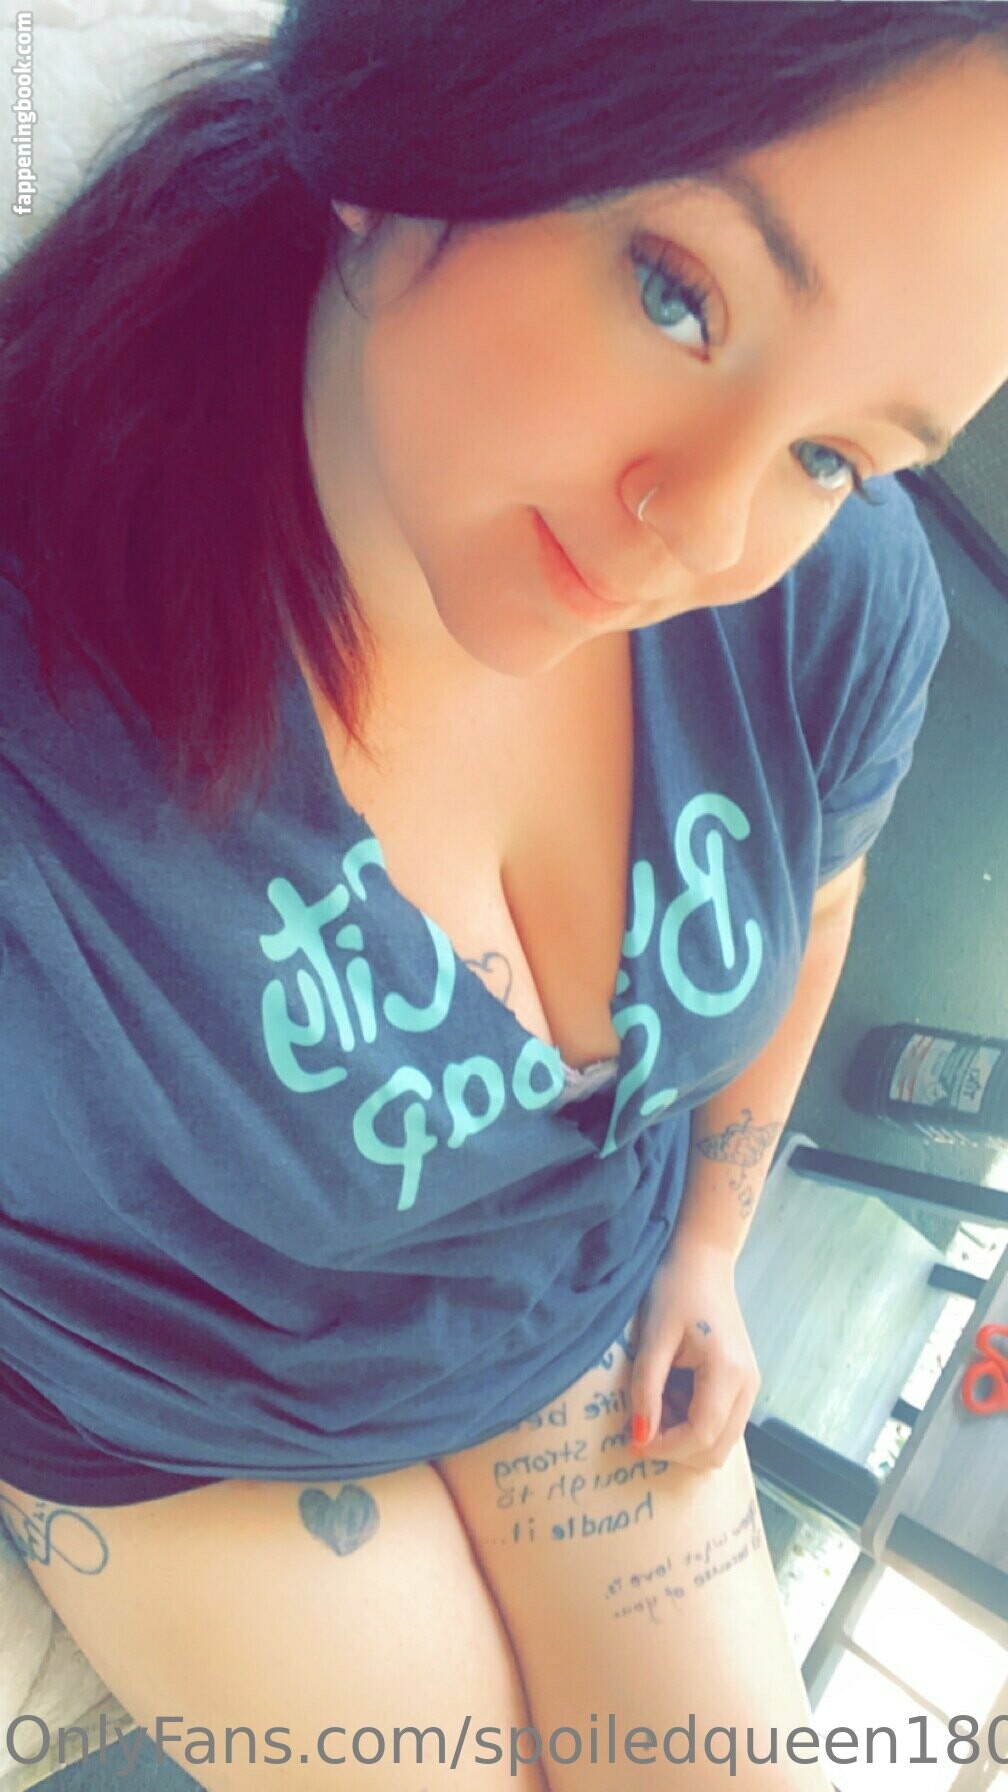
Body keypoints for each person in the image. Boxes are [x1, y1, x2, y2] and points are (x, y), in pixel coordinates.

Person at [1, 3, 1006, 1787]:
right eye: (677, 294)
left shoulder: (833, 604)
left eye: (840, 452)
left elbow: (820, 901)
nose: (708, 529)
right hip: (184, 1405)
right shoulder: (47, 702)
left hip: (565, 1301)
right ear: (424, 99)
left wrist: (710, 1242)